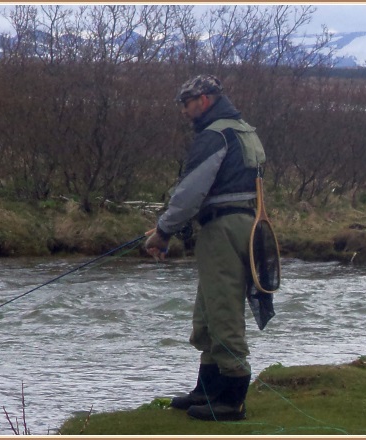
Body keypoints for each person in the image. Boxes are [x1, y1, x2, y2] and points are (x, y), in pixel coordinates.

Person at [144, 74, 265, 421]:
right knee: (209, 307)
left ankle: (232, 398)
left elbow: (190, 193)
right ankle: (207, 389)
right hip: (248, 225)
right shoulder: (245, 130)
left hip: (223, 229)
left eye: (187, 102)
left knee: (223, 307)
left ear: (206, 100)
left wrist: (164, 231)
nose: (184, 110)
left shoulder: (215, 136)